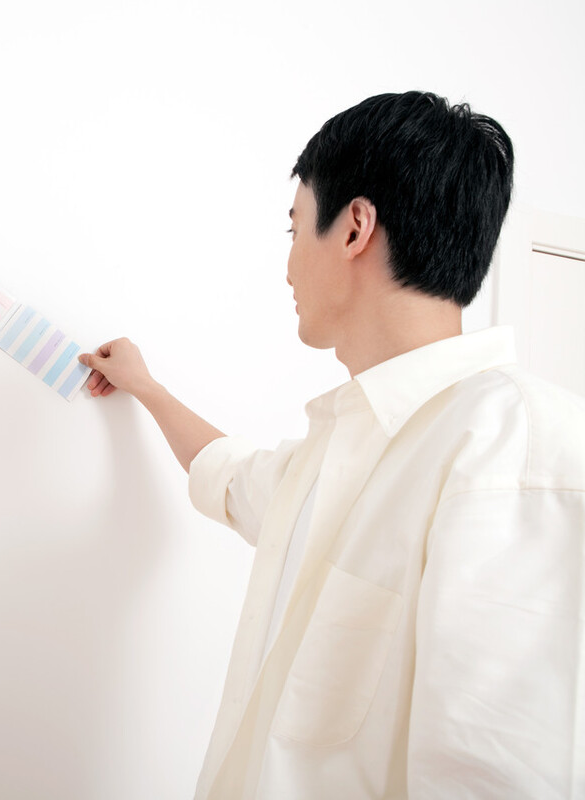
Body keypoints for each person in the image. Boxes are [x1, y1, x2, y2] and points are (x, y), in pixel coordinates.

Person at [79, 91, 585, 798]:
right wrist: (146, 387)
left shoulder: (512, 444)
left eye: (294, 229)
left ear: (353, 228)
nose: (287, 267)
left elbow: (497, 775)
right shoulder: (337, 450)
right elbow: (231, 476)